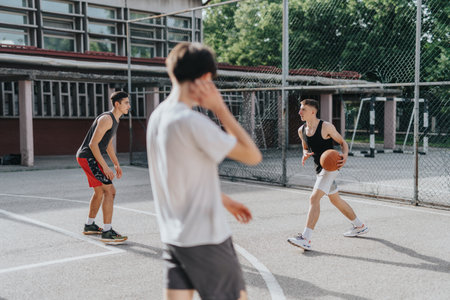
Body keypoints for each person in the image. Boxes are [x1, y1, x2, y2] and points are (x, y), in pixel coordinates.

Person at [146, 42, 262, 300]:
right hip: (206, 239)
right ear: (206, 78)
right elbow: (253, 155)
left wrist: (224, 200)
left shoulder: (157, 117)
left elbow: (178, 174)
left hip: (175, 237)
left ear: (172, 72)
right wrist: (220, 108)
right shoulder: (192, 121)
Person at [287, 99, 368, 251]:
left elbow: (342, 142)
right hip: (319, 168)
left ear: (313, 111)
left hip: (331, 167)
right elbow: (305, 147)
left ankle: (305, 238)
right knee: (335, 200)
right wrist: (305, 154)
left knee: (314, 198)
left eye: (303, 109)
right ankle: (359, 226)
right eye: (300, 109)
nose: (299, 112)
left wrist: (345, 155)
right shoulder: (301, 130)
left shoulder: (326, 127)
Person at [76, 91, 130, 243]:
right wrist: (105, 167)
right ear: (117, 104)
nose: (129, 106)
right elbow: (93, 144)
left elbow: (107, 145)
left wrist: (116, 164)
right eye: (126, 103)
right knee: (110, 191)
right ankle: (107, 232)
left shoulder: (115, 120)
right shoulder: (107, 119)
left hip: (88, 157)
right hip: (88, 157)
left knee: (100, 192)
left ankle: (89, 225)